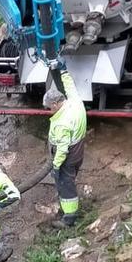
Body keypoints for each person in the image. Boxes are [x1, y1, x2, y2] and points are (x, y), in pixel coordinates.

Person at [45, 60, 87, 228]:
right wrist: (63, 70)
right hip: (79, 151)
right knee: (68, 179)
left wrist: (55, 166)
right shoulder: (75, 102)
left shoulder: (62, 122)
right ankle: (67, 208)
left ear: (55, 104)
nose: (49, 110)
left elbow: (62, 149)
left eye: (49, 107)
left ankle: (69, 217)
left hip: (68, 155)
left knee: (65, 183)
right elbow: (70, 87)